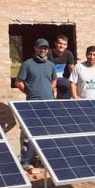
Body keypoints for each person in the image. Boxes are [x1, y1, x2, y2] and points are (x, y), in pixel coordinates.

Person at [16, 38, 57, 170]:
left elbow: (54, 80)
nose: (43, 50)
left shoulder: (51, 65)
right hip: (32, 104)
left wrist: (49, 91)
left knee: (48, 133)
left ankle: (46, 161)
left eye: (45, 48)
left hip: (49, 103)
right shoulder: (27, 64)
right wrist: (30, 92)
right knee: (30, 134)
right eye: (40, 47)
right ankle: (26, 161)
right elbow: (19, 82)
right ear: (35, 48)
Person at [47, 34, 76, 99]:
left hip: (61, 79)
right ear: (55, 43)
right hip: (49, 79)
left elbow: (72, 70)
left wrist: (73, 83)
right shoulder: (48, 53)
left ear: (66, 46)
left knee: (69, 85)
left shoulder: (68, 54)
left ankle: (63, 104)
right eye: (60, 43)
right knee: (47, 92)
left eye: (64, 44)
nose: (62, 46)